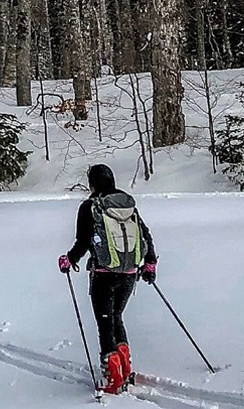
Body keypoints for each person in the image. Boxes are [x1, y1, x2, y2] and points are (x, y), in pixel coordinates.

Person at [59, 163, 157, 395]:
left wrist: (68, 259)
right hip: (129, 274)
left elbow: (83, 242)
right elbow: (145, 234)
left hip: (103, 274)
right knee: (117, 317)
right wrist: (149, 264)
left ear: (92, 183)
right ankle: (124, 367)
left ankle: (113, 377)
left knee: (105, 323)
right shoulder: (127, 204)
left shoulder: (90, 207)